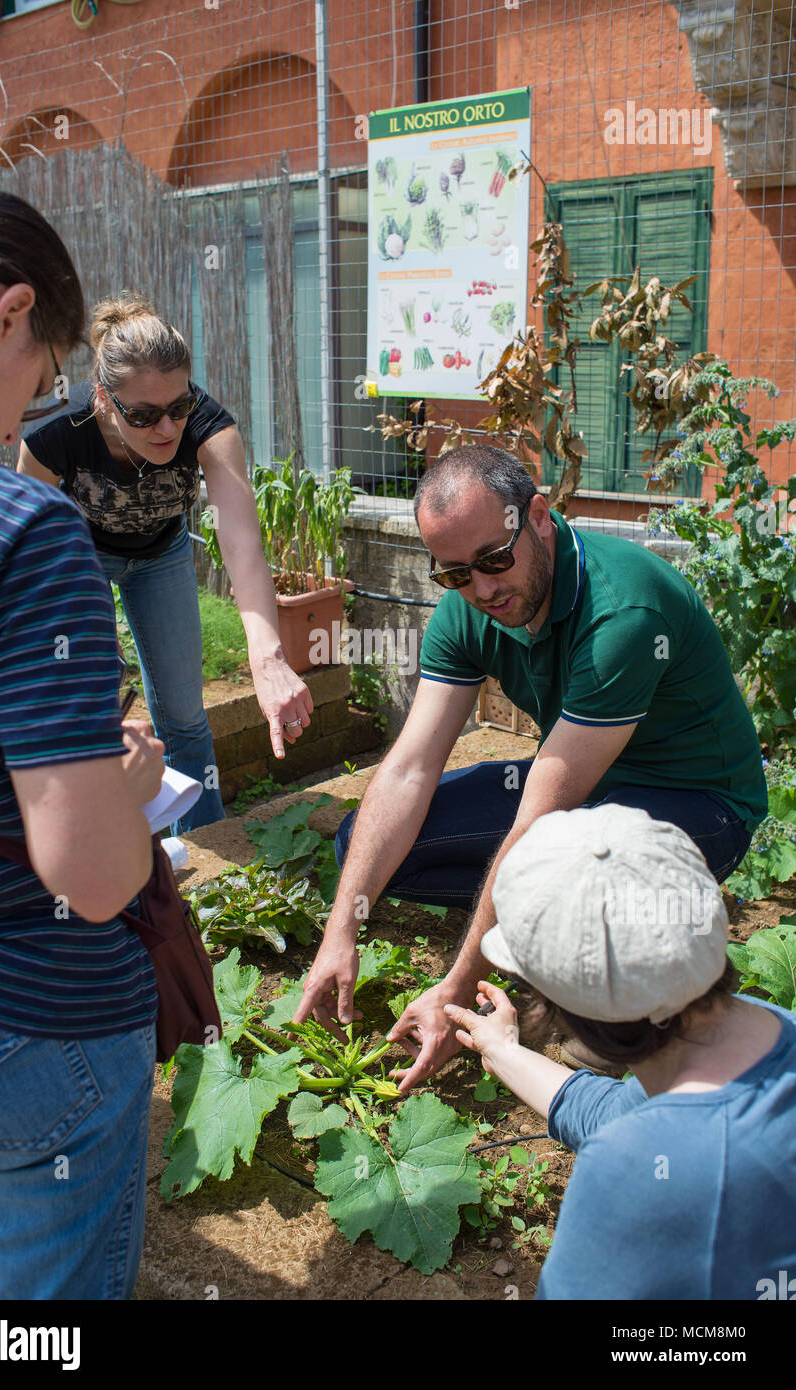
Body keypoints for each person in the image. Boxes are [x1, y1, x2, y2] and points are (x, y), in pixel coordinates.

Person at [294, 443, 767, 1091]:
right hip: (589, 792)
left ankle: (612, 974)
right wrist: (339, 932)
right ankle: (550, 932)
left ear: (538, 517)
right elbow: (407, 769)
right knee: (365, 845)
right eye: (455, 574)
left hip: (699, 805)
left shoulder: (623, 611)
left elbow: (541, 813)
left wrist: (456, 991)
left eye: (493, 560)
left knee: (574, 871)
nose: (481, 589)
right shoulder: (467, 609)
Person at [0, 181, 167, 1299]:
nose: (27, 408)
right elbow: (94, 872)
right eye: (43, 367)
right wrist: (124, 787)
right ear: (6, 315)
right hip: (19, 1019)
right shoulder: (19, 526)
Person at [445, 802, 796, 1300]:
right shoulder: (767, 1031)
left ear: (563, 1008)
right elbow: (622, 1115)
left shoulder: (631, 1170)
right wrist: (502, 1049)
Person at [17, 291, 312, 834]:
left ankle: (203, 843)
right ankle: (101, 848)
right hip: (78, 561)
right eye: (145, 415)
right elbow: (23, 543)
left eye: (177, 408)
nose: (167, 430)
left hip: (161, 555)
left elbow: (242, 544)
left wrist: (268, 660)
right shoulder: (55, 430)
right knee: (89, 708)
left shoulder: (209, 426)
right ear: (104, 399)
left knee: (183, 716)